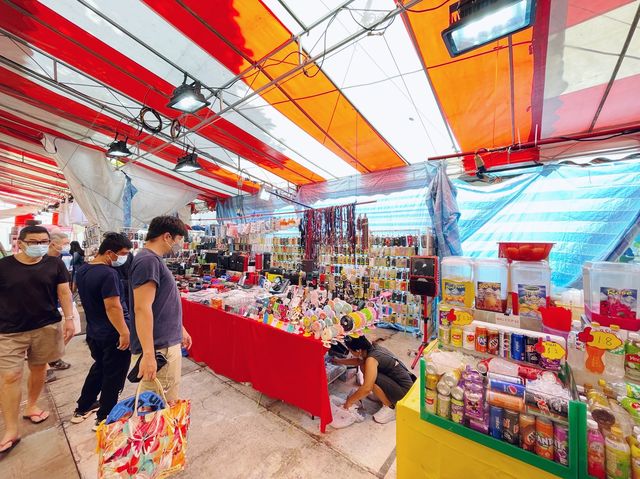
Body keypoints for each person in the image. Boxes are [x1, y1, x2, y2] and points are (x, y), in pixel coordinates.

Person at [0, 226, 75, 454]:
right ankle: (11, 429)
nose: (39, 245)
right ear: (20, 243)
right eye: (34, 242)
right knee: (10, 375)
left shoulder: (55, 264)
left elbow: (64, 292)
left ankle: (31, 405)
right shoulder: (4, 266)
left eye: (44, 241)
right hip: (9, 330)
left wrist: (70, 318)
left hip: (46, 326)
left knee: (39, 367)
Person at [72, 233, 133, 431]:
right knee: (113, 375)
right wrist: (124, 332)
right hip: (112, 333)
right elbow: (113, 306)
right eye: (122, 254)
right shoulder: (108, 274)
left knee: (100, 368)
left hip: (94, 332)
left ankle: (84, 405)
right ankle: (106, 416)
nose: (123, 258)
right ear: (109, 253)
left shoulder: (82, 270)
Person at [130, 216, 192, 402]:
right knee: (159, 410)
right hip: (159, 350)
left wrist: (179, 328)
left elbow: (161, 302)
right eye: (178, 240)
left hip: (164, 344)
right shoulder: (148, 261)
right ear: (167, 236)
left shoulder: (152, 259)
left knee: (165, 404)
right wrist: (148, 355)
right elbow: (141, 308)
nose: (178, 246)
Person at [333, 336, 415, 424]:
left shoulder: (371, 359)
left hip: (404, 393)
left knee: (370, 379)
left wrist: (348, 403)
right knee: (364, 368)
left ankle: (390, 407)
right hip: (401, 383)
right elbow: (359, 361)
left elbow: (367, 388)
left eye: (351, 351)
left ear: (358, 350)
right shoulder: (371, 349)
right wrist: (338, 361)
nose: (351, 353)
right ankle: (382, 396)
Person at [47, 231, 73, 373]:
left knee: (70, 330)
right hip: (49, 305)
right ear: (53, 243)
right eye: (65, 243)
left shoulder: (64, 258)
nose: (67, 246)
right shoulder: (41, 260)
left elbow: (64, 289)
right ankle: (49, 359)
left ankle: (53, 356)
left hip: (62, 302)